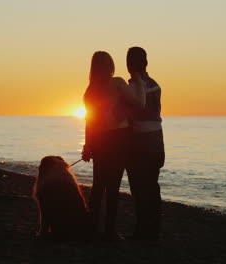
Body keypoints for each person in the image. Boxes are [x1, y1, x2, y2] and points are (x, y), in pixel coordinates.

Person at [82, 51, 145, 241]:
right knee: (113, 186)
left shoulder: (90, 90)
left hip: (99, 140)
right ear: (110, 66)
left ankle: (91, 228)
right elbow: (140, 103)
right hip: (118, 139)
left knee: (98, 185)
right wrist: (139, 80)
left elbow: (89, 121)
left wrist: (87, 145)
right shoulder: (117, 83)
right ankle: (109, 231)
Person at [125, 47, 165, 241]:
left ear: (129, 65)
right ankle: (153, 231)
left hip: (139, 142)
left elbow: (129, 115)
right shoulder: (156, 85)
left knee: (139, 188)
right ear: (146, 63)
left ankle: (142, 232)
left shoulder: (132, 87)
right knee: (152, 187)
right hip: (157, 139)